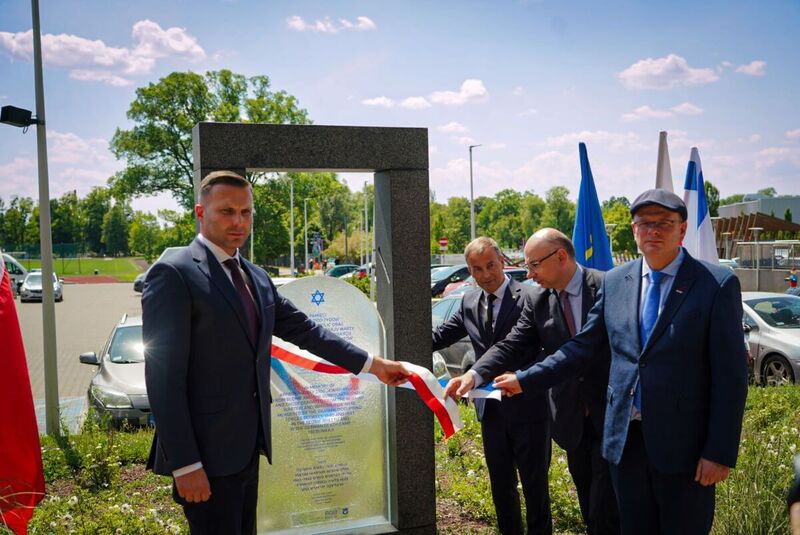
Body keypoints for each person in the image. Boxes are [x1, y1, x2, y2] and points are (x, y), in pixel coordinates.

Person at [446, 189, 748, 534]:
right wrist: (518, 379)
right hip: (624, 442)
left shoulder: (715, 284)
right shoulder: (619, 282)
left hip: (684, 449)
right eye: (644, 224)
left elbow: (731, 376)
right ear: (633, 231)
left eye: (664, 223)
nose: (653, 231)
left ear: (681, 230)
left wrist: (719, 451)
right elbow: (579, 348)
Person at [143, 170, 409, 535]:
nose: (238, 222)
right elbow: (162, 379)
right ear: (200, 213)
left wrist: (373, 365)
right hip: (204, 455)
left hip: (247, 448)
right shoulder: (174, 273)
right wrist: (185, 464)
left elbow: (306, 331)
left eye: (246, 212)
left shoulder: (255, 276)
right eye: (227, 211)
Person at [467, 229, 619, 534]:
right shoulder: (537, 299)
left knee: (608, 510)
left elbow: (586, 350)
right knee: (590, 505)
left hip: (611, 413)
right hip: (572, 419)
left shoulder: (608, 286)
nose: (529, 273)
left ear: (560, 256)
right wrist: (475, 374)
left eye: (534, 265)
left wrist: (523, 379)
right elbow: (512, 344)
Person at [432, 237, 551, 535]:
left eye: (490, 265)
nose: (485, 274)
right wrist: (395, 348)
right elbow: (441, 335)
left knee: (536, 490)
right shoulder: (469, 301)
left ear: (502, 261)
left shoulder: (531, 297)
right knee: (501, 487)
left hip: (529, 409)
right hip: (491, 412)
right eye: (476, 269)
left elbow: (532, 349)